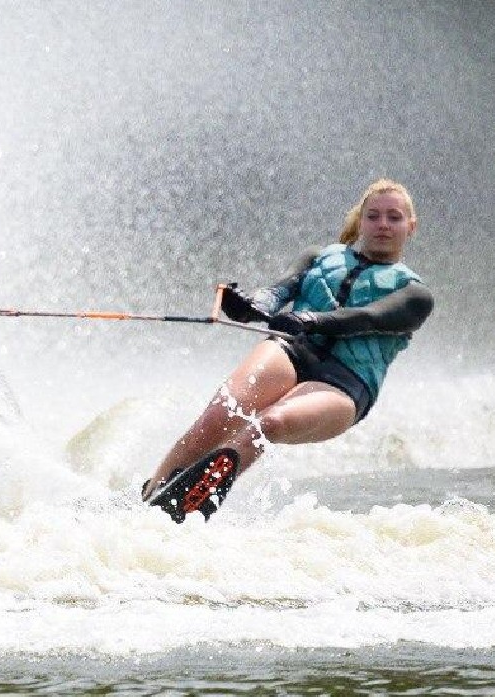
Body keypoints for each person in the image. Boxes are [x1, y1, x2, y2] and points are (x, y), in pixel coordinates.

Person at [141, 179, 434, 522]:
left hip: (344, 382)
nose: (383, 224)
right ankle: (150, 496)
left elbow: (368, 317)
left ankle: (194, 497)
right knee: (221, 414)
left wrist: (310, 319)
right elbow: (277, 291)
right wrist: (251, 305)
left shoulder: (417, 295)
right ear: (362, 220)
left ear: (410, 227)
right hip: (292, 350)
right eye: (374, 216)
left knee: (271, 422)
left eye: (394, 217)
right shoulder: (318, 257)